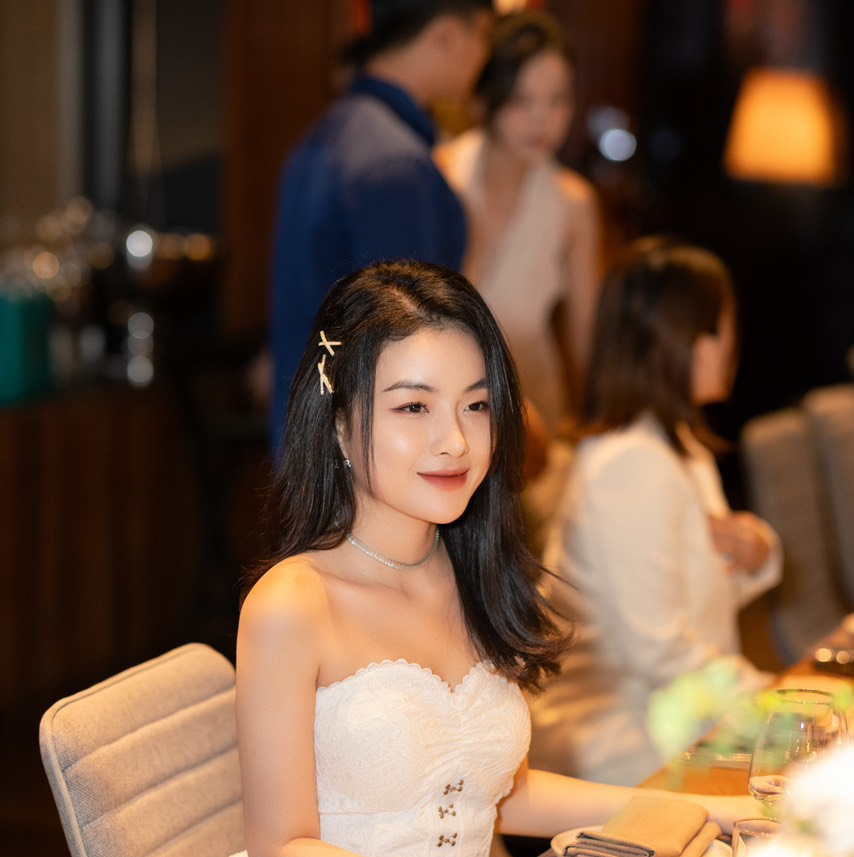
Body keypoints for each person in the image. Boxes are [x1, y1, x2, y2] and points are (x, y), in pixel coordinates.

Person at [81, 260, 759, 857]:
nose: (454, 440)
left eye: (476, 405)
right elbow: (280, 855)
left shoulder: (467, 569)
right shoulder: (293, 603)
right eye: (413, 406)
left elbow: (497, 792)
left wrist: (678, 808)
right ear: (340, 423)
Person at [528, 238, 783, 787]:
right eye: (723, 325)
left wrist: (758, 551)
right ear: (687, 340)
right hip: (624, 747)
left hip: (678, 721)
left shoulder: (677, 446)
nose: (732, 342)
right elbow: (658, 650)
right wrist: (772, 704)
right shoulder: (628, 464)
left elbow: (691, 593)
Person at [269, 0, 494, 459]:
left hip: (315, 428)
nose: (484, 57)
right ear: (447, 34)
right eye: (483, 37)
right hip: (366, 445)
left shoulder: (332, 132)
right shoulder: (392, 161)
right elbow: (413, 330)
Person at [437, 11, 601, 439]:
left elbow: (586, 339)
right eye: (522, 101)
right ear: (487, 98)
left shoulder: (573, 202)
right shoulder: (443, 174)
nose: (542, 119)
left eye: (558, 100)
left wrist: (592, 430)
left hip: (536, 408)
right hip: (448, 405)